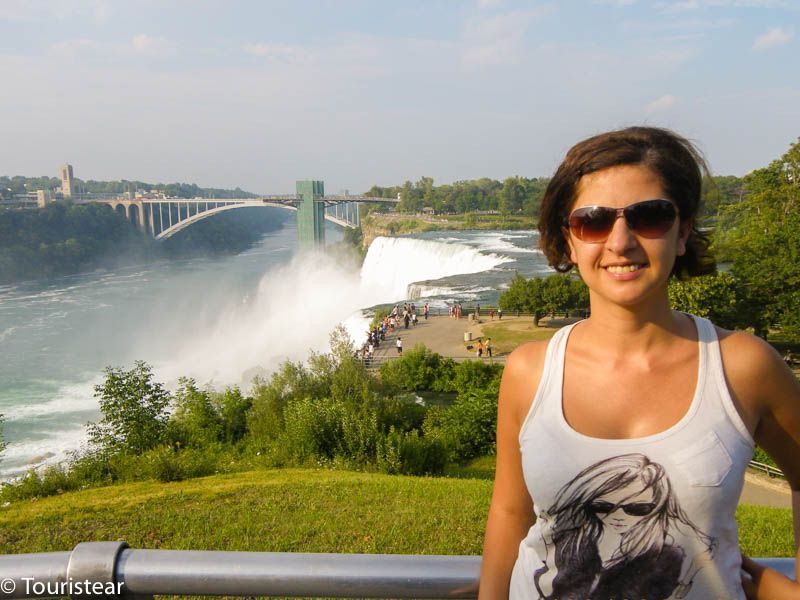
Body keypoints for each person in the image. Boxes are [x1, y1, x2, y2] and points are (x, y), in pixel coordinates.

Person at [478, 126, 800, 600]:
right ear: (569, 241)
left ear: (683, 231)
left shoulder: (742, 367)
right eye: (593, 221)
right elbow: (510, 512)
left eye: (650, 216)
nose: (621, 240)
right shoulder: (530, 372)